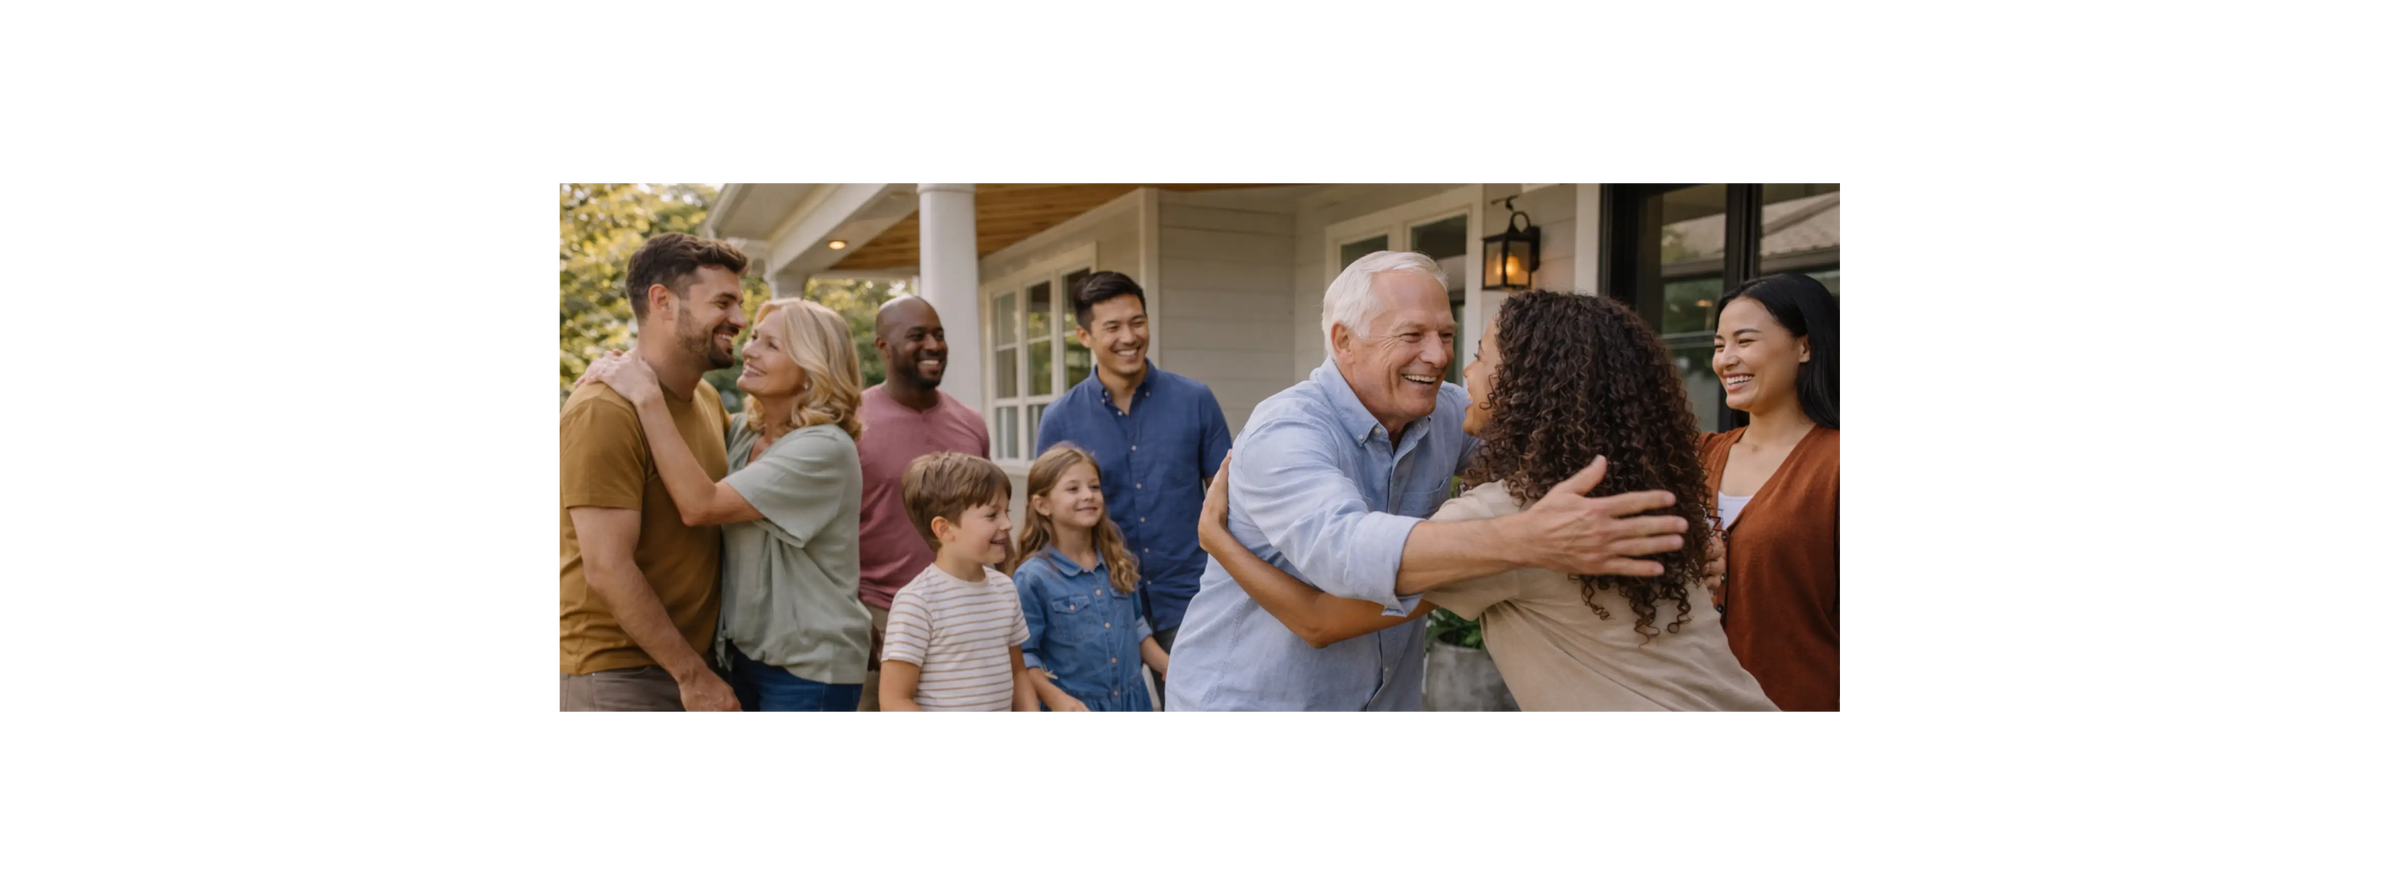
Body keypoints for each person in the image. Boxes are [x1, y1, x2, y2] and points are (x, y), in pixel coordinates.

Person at [1164, 251, 1696, 714]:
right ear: (1343, 340)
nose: (1440, 357)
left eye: (1447, 335)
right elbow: (1343, 551)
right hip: (1252, 701)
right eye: (1413, 335)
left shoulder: (1446, 412)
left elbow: (1560, 442)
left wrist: (1691, 533)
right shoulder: (1287, 430)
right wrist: (1528, 539)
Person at [577, 298, 876, 714]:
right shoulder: (743, 434)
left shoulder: (823, 448)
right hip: (744, 659)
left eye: (771, 345)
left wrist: (645, 395)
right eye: (754, 337)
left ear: (812, 371)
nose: (749, 350)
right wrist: (613, 373)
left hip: (809, 670)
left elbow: (700, 505)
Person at [557, 233, 750, 714]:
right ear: (662, 302)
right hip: (617, 676)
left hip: (688, 668)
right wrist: (691, 674)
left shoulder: (706, 401)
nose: (740, 321)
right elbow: (607, 567)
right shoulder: (604, 409)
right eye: (723, 303)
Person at [1033, 272, 1230, 702]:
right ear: (1084, 335)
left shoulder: (1195, 400)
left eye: (1137, 322)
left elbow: (1227, 501)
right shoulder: (1060, 419)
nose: (1130, 337)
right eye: (1113, 327)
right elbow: (1048, 517)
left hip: (1190, 598)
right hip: (1099, 606)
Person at [1704, 273, 1843, 715]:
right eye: (1719, 344)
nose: (1727, 359)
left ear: (1805, 347)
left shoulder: (1835, 462)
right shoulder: (1697, 456)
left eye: (1745, 341)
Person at [855, 295, 992, 714]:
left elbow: (988, 517)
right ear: (882, 346)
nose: (933, 345)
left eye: (939, 335)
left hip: (964, 612)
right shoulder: (850, 422)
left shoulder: (971, 424)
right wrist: (855, 618)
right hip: (879, 614)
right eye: (916, 336)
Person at [1010, 444, 1169, 715]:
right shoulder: (1032, 578)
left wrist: (1168, 665)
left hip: (1133, 705)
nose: (1088, 496)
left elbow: (1136, 627)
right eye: (1073, 489)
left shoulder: (1119, 561)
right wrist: (1055, 698)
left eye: (1094, 487)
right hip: (1075, 709)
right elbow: (1025, 657)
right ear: (1042, 504)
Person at [879, 451, 1038, 715]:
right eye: (992, 515)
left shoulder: (1005, 589)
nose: (1008, 524)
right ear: (944, 529)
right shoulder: (917, 602)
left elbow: (1018, 672)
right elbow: (894, 701)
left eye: (1006, 512)